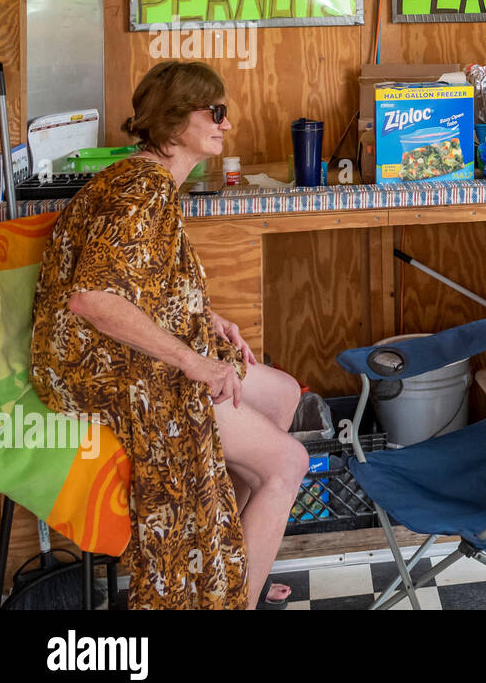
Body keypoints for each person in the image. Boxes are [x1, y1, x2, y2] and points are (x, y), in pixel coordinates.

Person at [30, 60, 308, 609]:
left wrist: (204, 319)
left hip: (114, 354)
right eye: (216, 111)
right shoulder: (141, 190)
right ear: (177, 118)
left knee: (283, 393)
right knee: (289, 463)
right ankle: (235, 599)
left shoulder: (150, 180)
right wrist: (196, 361)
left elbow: (143, 284)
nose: (226, 124)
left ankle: (231, 565)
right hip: (99, 370)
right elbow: (94, 299)